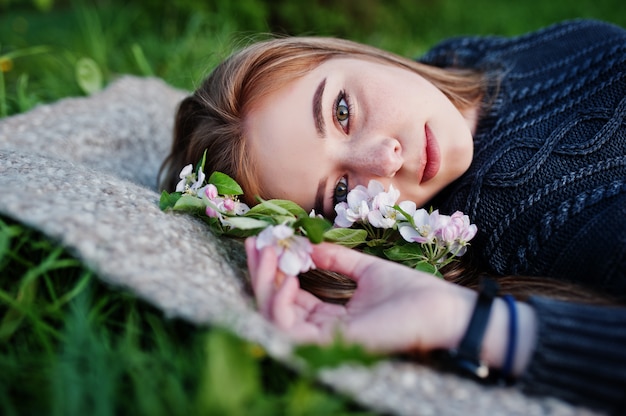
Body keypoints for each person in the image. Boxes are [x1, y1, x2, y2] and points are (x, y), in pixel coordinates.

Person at [160, 19, 626, 413]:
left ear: (346, 53)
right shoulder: (520, 222)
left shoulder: (465, 59)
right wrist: (474, 324)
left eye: (342, 111)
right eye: (341, 190)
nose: (385, 159)